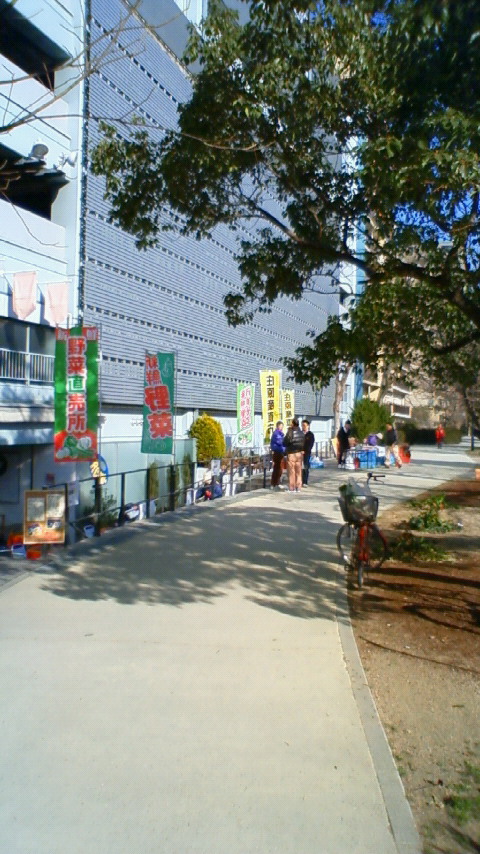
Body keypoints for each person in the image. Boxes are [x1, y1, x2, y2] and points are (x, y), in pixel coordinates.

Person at [284, 417, 305, 492]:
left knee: (291, 471)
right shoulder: (302, 433)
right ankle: (298, 487)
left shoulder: (290, 432)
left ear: (293, 424)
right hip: (299, 453)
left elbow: (285, 442)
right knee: (298, 472)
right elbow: (303, 443)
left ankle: (291, 488)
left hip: (291, 453)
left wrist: (288, 431)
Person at [270, 420, 286, 489]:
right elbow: (280, 442)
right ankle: (274, 483)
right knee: (277, 468)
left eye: (282, 426)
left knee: (279, 468)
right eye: (280, 426)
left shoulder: (280, 434)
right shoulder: (276, 434)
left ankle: (276, 482)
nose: (281, 427)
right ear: (277, 426)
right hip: (277, 452)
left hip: (280, 452)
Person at [301, 419, 315, 486]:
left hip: (306, 453)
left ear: (308, 426)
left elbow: (310, 445)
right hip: (299, 453)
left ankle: (305, 481)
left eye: (304, 425)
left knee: (305, 467)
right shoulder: (300, 433)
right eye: (302, 425)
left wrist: (305, 451)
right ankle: (299, 481)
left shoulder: (310, 435)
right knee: (299, 467)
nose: (303, 427)